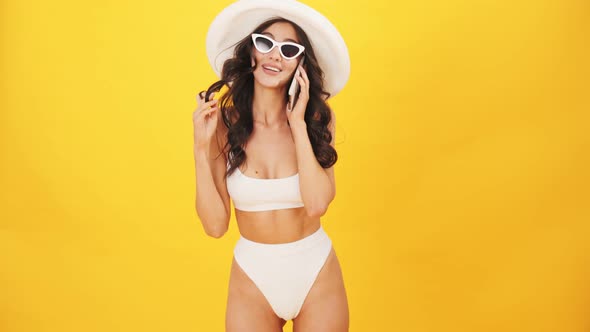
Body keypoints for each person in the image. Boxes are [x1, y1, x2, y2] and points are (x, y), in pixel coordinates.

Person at [193, 1, 350, 331]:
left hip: (315, 271)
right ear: (251, 52)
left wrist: (298, 124)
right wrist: (200, 147)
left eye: (289, 49)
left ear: (300, 65)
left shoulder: (318, 120)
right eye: (265, 43)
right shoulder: (223, 124)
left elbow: (318, 203)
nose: (275, 56)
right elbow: (215, 227)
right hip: (253, 276)